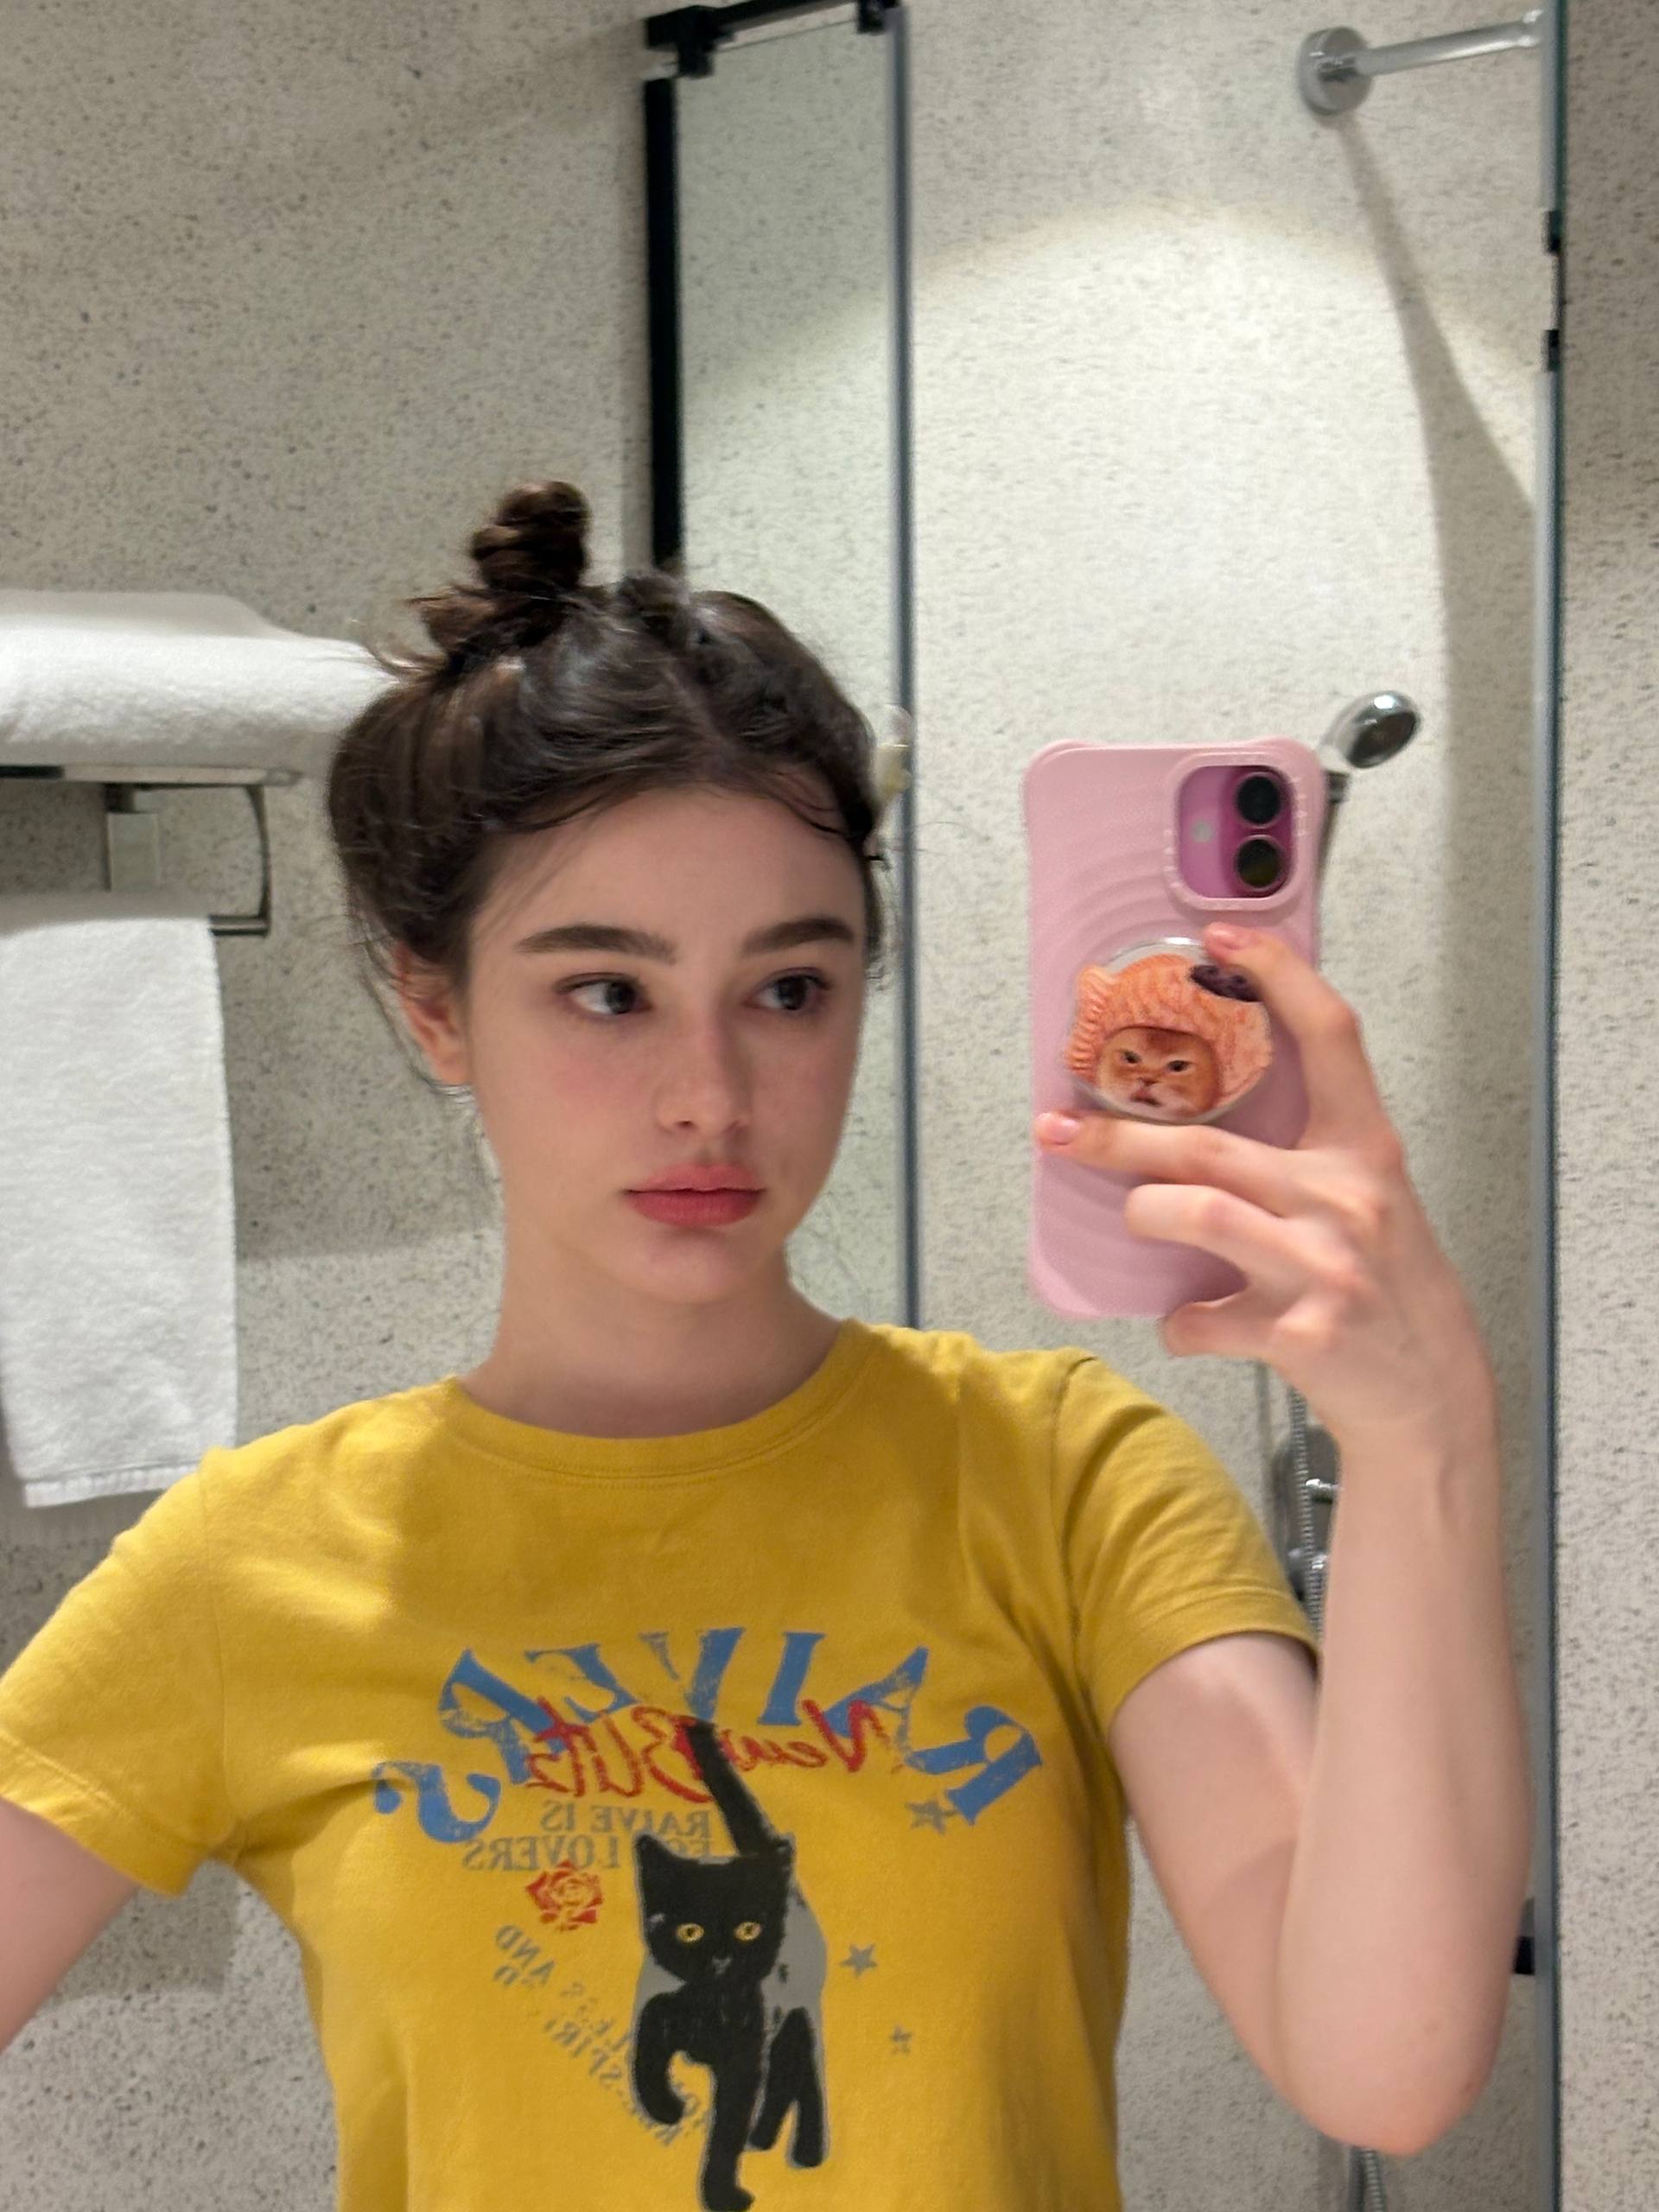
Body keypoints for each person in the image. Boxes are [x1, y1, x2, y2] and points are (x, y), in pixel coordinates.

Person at [0, 478, 1529, 2212]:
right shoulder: (253, 1562)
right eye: (606, 991)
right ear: (438, 1007)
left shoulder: (1064, 1482)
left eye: (789, 988)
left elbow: (1385, 2066)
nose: (710, 1096)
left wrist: (1426, 1437)